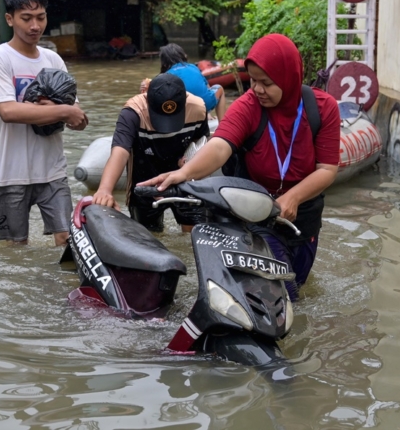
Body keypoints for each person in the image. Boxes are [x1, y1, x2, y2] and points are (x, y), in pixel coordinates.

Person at [137, 34, 340, 298]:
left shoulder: (323, 108)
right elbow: (220, 145)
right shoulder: (249, 106)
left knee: (298, 288)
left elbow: (327, 169)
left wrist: (293, 197)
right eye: (253, 80)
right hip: (254, 211)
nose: (257, 89)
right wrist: (183, 173)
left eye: (266, 83)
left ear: (288, 78)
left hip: (304, 215)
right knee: (281, 292)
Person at [0, 0, 89, 246]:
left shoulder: (53, 60)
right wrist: (62, 110)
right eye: (26, 18)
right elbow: (7, 110)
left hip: (53, 170)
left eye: (40, 17)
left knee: (68, 241)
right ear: (10, 19)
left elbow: (76, 116)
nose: (35, 26)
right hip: (12, 172)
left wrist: (70, 114)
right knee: (13, 248)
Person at [92, 73, 210, 233]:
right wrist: (105, 190)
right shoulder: (132, 113)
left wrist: (190, 161)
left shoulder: (198, 108)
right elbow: (120, 152)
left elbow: (201, 142)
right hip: (144, 179)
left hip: (184, 177)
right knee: (150, 235)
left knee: (194, 234)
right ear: (146, 98)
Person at [140, 43, 228, 120]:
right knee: (219, 88)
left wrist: (145, 89)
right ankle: (222, 125)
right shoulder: (193, 67)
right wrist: (206, 112)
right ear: (182, 55)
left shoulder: (165, 76)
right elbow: (206, 89)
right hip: (204, 106)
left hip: (183, 110)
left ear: (164, 62)